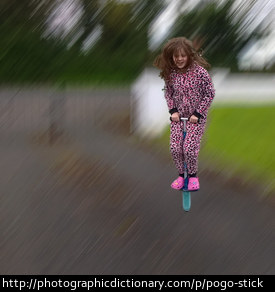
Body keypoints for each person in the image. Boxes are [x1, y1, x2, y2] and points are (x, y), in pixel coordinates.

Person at [153, 37, 215, 191]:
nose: (179, 59)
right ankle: (181, 175)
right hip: (178, 117)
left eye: (183, 55)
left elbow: (210, 94)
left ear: (189, 55)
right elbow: (168, 93)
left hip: (196, 118)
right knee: (175, 148)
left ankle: (193, 176)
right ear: (171, 57)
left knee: (189, 149)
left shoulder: (200, 73)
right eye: (176, 56)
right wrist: (173, 111)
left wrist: (198, 113)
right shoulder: (171, 74)